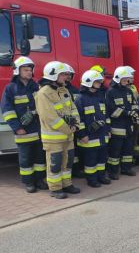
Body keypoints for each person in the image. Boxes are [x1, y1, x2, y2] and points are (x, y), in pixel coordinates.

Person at [1, 56, 47, 193]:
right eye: (26, 70)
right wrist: (17, 128)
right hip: (23, 132)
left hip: (38, 130)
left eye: (30, 69)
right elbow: (7, 110)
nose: (29, 72)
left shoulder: (37, 87)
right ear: (17, 71)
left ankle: (39, 180)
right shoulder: (11, 89)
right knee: (25, 159)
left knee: (40, 158)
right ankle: (29, 182)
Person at [36, 61, 81, 199]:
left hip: (68, 135)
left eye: (66, 74)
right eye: (63, 74)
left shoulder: (64, 90)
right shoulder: (43, 93)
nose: (66, 77)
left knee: (68, 161)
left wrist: (76, 124)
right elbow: (49, 117)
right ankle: (55, 188)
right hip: (54, 137)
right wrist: (69, 129)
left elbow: (73, 108)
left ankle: (67, 184)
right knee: (54, 164)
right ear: (53, 75)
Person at [74, 70, 111, 187]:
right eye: (97, 81)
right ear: (89, 82)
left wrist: (108, 130)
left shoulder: (100, 97)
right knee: (91, 160)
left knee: (102, 158)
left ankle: (101, 176)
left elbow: (106, 115)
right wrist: (82, 134)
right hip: (89, 137)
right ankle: (91, 179)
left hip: (101, 135)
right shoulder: (80, 99)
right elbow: (78, 119)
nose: (100, 83)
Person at [106, 66, 139, 179]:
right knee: (115, 151)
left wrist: (134, 112)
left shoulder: (129, 91)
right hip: (117, 127)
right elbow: (111, 110)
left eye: (127, 79)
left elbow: (134, 104)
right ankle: (113, 172)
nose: (126, 81)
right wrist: (127, 113)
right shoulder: (111, 92)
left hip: (128, 126)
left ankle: (126, 168)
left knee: (128, 149)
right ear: (117, 79)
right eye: (124, 80)